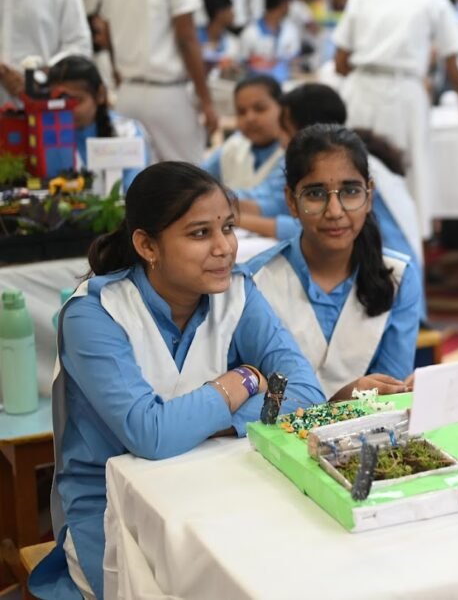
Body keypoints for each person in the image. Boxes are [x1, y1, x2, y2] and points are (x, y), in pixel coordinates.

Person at [28, 162, 325, 600]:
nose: (224, 247)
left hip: (216, 481)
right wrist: (241, 379)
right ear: (148, 245)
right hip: (113, 508)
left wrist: (211, 421)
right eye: (200, 233)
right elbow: (149, 434)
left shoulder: (238, 293)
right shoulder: (94, 314)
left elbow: (307, 394)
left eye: (227, 227)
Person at [247, 125, 422, 400]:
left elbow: (392, 393)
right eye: (315, 194)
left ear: (369, 196)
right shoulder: (254, 281)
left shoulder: (398, 276)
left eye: (350, 191)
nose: (335, 212)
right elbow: (249, 392)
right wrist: (339, 400)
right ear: (291, 201)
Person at [332, 0, 458, 236]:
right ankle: (411, 241)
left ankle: (354, 236)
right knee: (411, 172)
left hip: (361, 88)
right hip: (406, 91)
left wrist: (364, 72)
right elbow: (453, 62)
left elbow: (340, 62)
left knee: (357, 166)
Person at [236, 83, 422, 270]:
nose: (280, 138)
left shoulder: (342, 166)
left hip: (381, 270)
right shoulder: (340, 156)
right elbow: (270, 201)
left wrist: (232, 218)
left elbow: (307, 229)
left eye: (285, 130)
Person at [100, 0, 217, 164]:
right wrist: (206, 100)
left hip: (127, 93)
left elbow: (108, 34)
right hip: (167, 95)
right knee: (187, 184)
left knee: (135, 183)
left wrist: (119, 77)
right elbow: (186, 38)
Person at [48, 55, 151, 191]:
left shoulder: (128, 132)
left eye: (76, 101)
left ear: (100, 94)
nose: (67, 109)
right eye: (59, 101)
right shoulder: (48, 135)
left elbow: (135, 190)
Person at [201, 75, 285, 190]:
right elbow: (196, 180)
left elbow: (271, 203)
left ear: (283, 108)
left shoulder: (294, 153)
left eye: (260, 108)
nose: (249, 118)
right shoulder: (233, 146)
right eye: (241, 112)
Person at [239, 0, 301, 84]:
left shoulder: (291, 31)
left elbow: (295, 63)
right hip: (256, 86)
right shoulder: (250, 33)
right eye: (289, 3)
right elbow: (242, 65)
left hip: (286, 85)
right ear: (283, 3)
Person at [199, 0, 241, 75]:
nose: (233, 14)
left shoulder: (232, 42)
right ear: (219, 12)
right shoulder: (194, 38)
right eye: (229, 9)